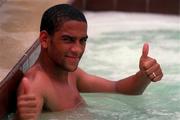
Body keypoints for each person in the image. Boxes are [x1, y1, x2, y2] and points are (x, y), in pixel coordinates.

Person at [15, 4, 163, 120]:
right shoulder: (35, 85)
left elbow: (118, 88)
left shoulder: (70, 75)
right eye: (68, 40)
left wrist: (144, 75)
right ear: (45, 39)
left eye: (82, 41)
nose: (77, 49)